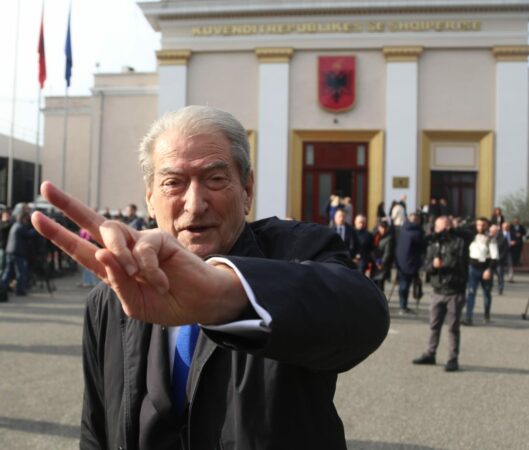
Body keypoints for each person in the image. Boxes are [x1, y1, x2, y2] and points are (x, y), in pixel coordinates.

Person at [31, 106, 389, 450]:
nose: (195, 203)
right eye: (173, 182)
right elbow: (96, 429)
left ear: (247, 190)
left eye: (215, 179)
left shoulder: (297, 251)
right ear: (150, 198)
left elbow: (363, 315)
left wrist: (227, 295)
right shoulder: (114, 296)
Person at [412, 216, 468, 372]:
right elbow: (427, 265)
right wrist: (433, 266)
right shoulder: (433, 243)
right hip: (437, 290)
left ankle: (452, 358)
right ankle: (430, 353)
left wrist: (442, 263)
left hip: (454, 291)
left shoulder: (459, 241)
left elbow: (457, 261)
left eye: (443, 227)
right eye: (437, 227)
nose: (439, 230)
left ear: (449, 227)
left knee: (453, 327)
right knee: (434, 325)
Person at [463, 218, 498, 325]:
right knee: (471, 292)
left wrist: (489, 270)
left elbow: (495, 257)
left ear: (487, 226)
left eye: (483, 225)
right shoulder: (471, 237)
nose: (480, 227)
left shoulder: (490, 239)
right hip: (472, 268)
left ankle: (486, 314)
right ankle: (468, 317)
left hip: (485, 269)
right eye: (478, 225)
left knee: (486, 292)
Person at [395, 212, 425, 314]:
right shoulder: (417, 232)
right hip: (411, 262)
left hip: (401, 261)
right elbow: (422, 246)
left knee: (404, 285)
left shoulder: (402, 229)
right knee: (406, 285)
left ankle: (403, 305)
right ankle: (403, 306)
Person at [1, 211, 35, 296]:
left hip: (10, 251)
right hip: (18, 253)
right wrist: (36, 228)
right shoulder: (20, 227)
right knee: (20, 272)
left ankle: (2, 288)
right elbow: (30, 234)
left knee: (8, 272)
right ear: (24, 218)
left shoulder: (15, 225)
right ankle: (20, 290)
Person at [370, 219, 394, 291]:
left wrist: (381, 263)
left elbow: (387, 253)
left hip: (381, 265)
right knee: (372, 285)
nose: (383, 230)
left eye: (385, 228)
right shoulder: (374, 235)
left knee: (380, 286)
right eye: (381, 227)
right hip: (373, 263)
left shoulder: (388, 238)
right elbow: (371, 249)